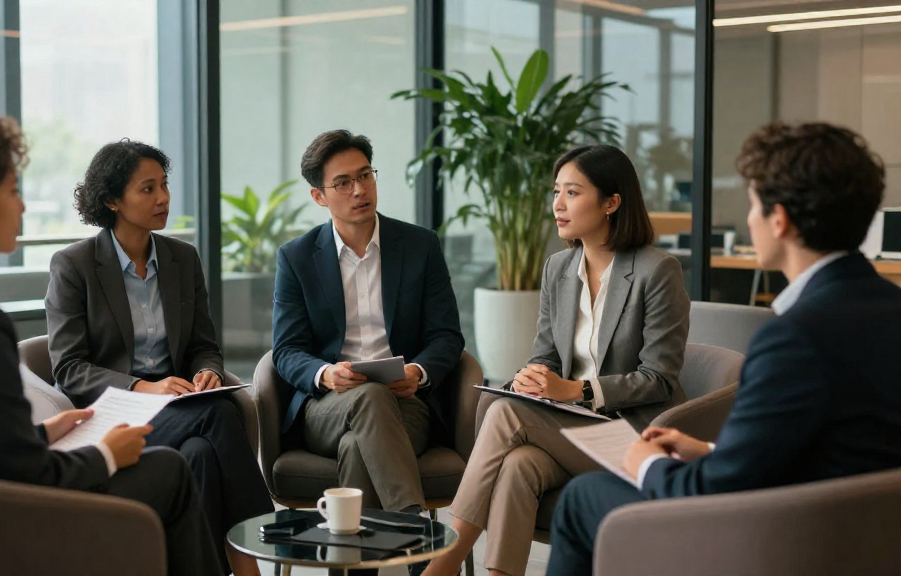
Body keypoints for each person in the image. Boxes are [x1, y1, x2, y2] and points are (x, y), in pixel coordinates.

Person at [547, 122, 901, 576]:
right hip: (866, 540)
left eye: (752, 205)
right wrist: (712, 448)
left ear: (779, 219)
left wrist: (648, 464)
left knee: (584, 497)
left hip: (780, 543)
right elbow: (836, 441)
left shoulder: (793, 338)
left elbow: (713, 492)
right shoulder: (889, 309)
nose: (750, 220)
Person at [0, 116, 221, 576]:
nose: (21, 205)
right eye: (11, 189)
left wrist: (43, 433)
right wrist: (104, 454)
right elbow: (28, 475)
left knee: (187, 457)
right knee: (168, 472)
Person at [423, 144, 690, 576]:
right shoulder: (558, 268)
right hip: (566, 427)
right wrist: (534, 376)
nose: (558, 205)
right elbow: (545, 353)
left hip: (629, 436)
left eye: (572, 192)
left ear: (611, 202)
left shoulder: (656, 271)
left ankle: (446, 560)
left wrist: (578, 390)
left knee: (507, 414)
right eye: (556, 192)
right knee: (518, 465)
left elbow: (658, 378)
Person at [45, 140, 273, 576]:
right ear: (112, 199)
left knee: (202, 453)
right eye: (147, 189)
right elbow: (69, 368)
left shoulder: (181, 259)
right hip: (115, 416)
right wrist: (144, 387)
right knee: (219, 416)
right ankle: (255, 559)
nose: (163, 198)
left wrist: (207, 370)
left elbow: (203, 344)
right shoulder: (73, 265)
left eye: (164, 185)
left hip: (181, 406)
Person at [272, 129, 465, 514]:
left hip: (405, 402)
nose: (359, 190)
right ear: (319, 196)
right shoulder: (296, 257)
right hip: (328, 405)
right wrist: (325, 374)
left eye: (365, 175)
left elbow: (446, 335)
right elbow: (287, 350)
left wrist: (419, 372)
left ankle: (349, 569)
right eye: (343, 183)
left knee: (356, 448)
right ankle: (416, 540)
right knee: (369, 398)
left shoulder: (419, 245)